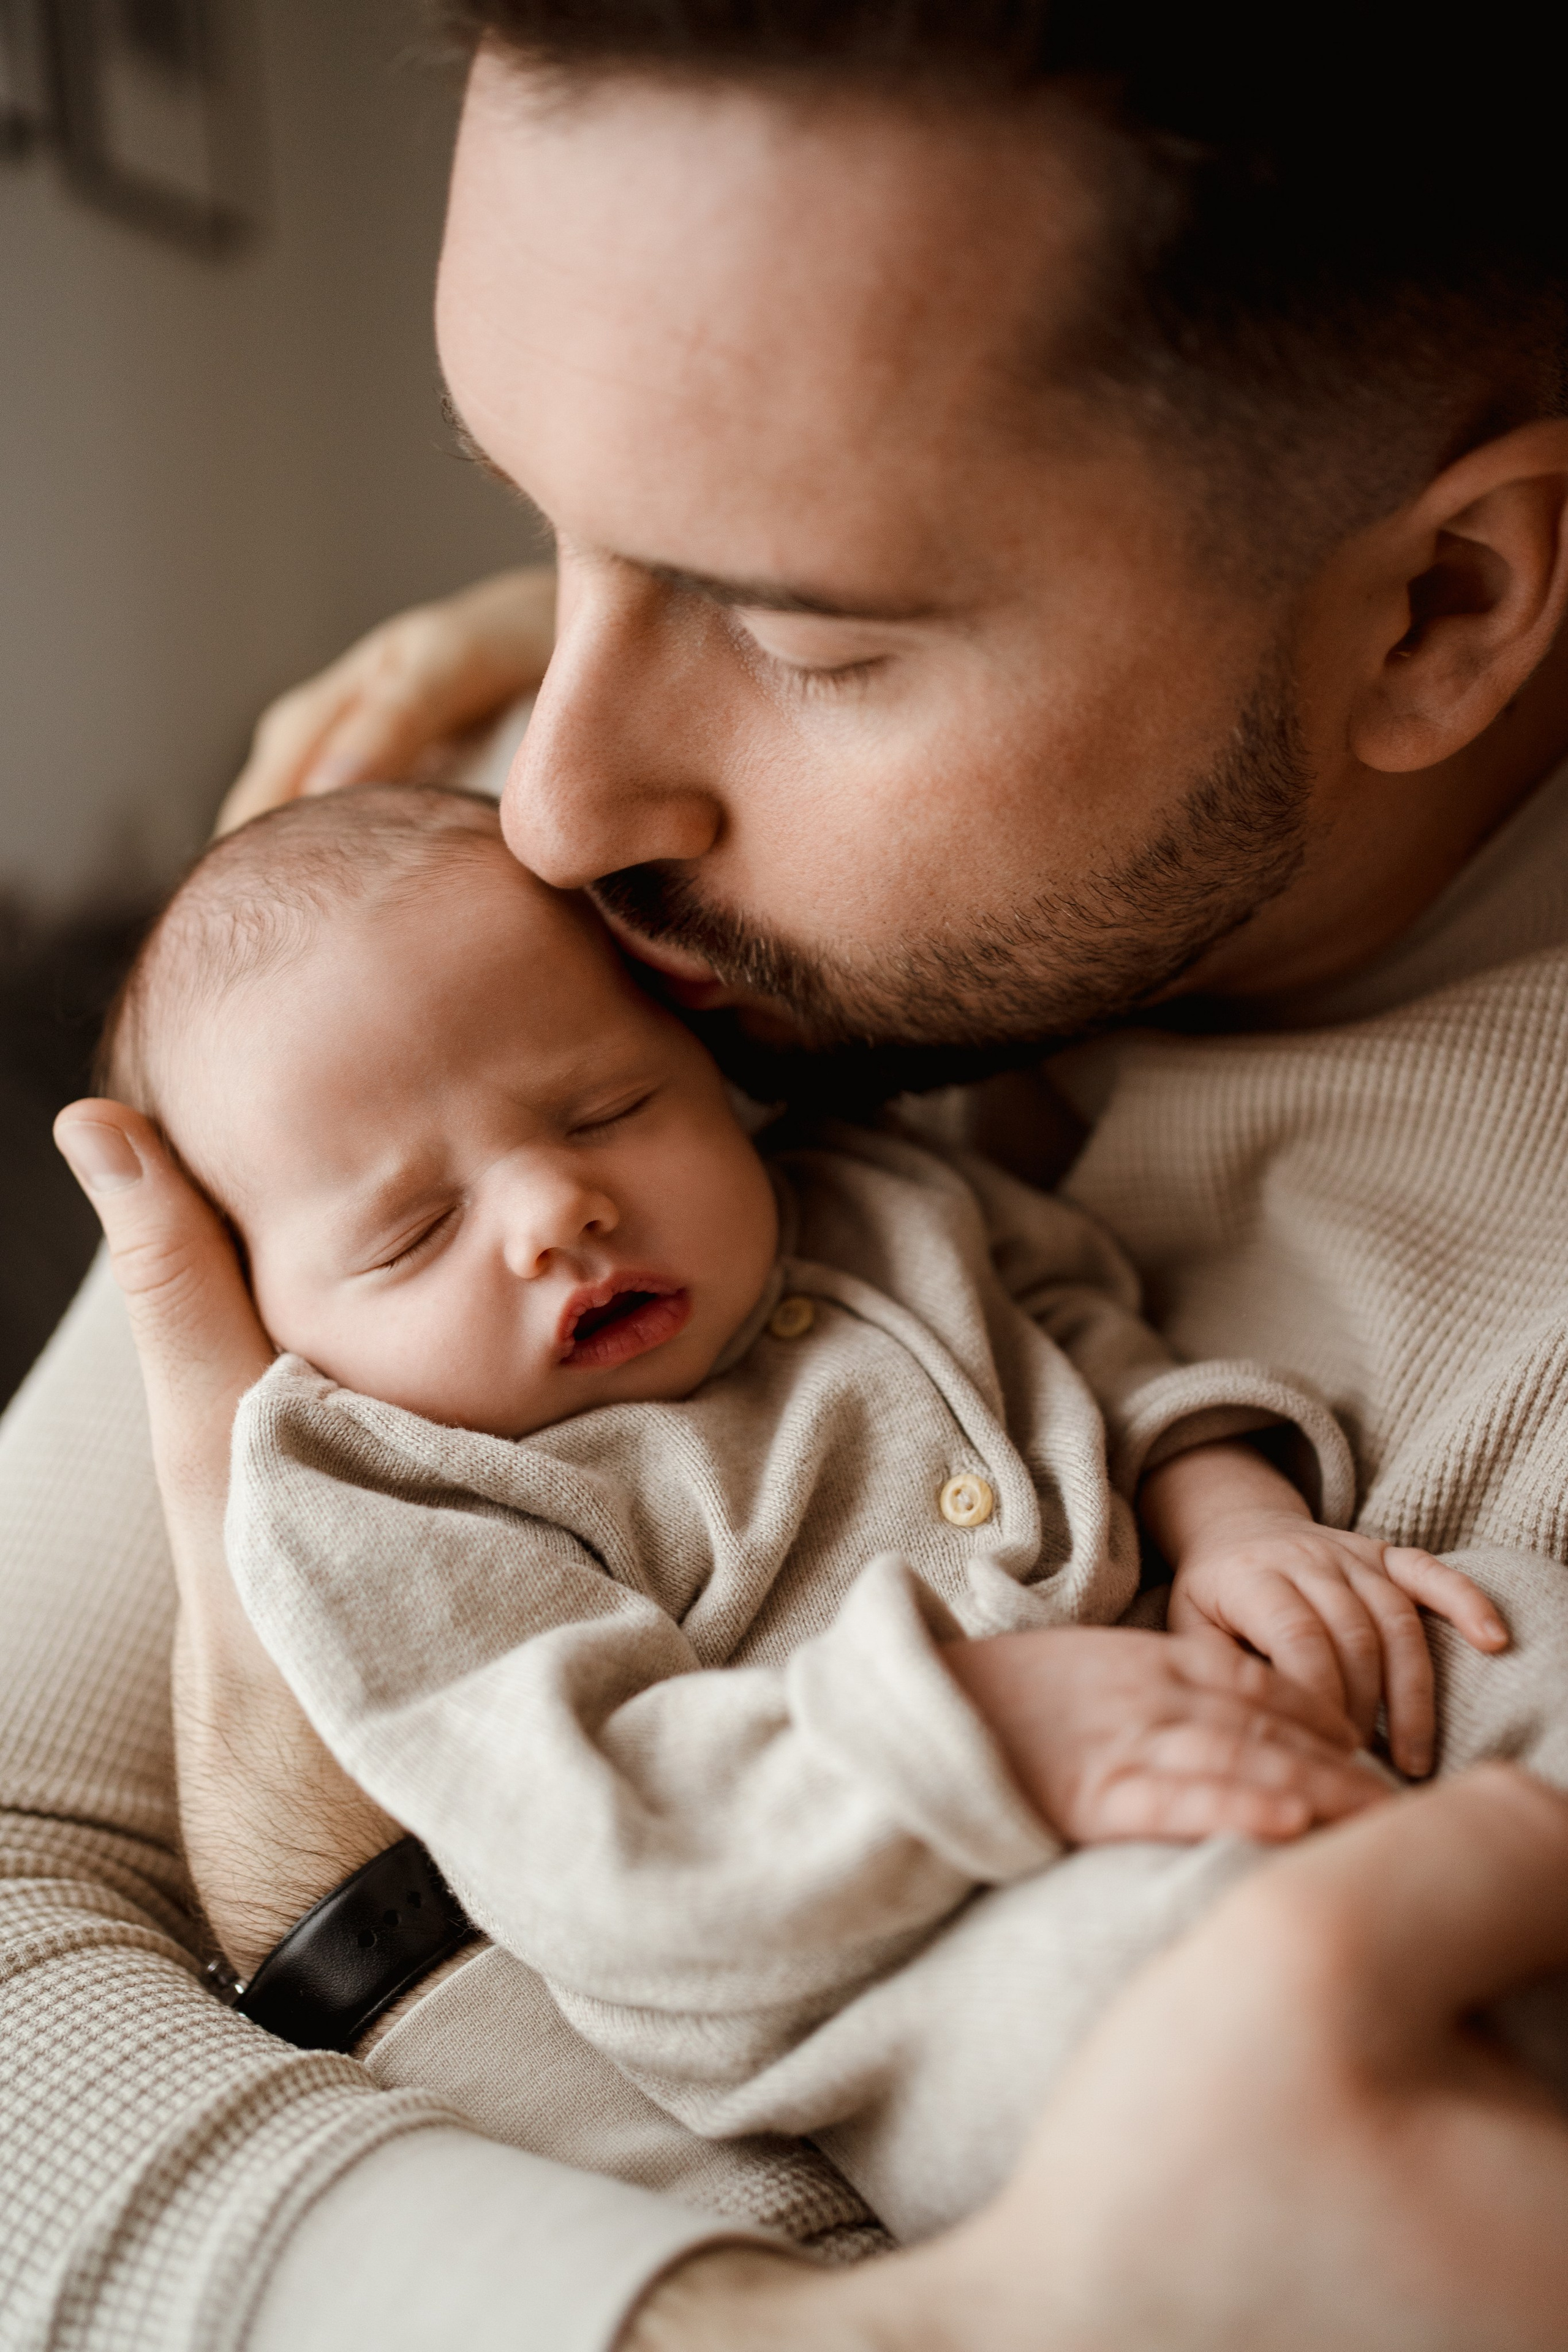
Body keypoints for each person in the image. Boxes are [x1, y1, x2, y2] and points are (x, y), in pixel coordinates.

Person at [15, 1, 1568, 2342]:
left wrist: (377, 1946)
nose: (546, 798)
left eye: (804, 626)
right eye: (543, 529)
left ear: (1441, 610)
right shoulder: (456, 938)